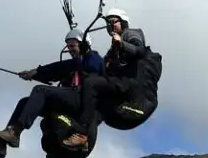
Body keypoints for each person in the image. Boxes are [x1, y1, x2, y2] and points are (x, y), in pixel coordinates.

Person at [0, 29, 104, 158]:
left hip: (83, 101)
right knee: (25, 102)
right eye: (68, 47)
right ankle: (1, 143)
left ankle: (14, 132)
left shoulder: (94, 59)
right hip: (71, 102)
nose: (70, 50)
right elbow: (57, 73)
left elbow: (64, 68)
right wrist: (34, 75)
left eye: (73, 46)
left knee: (40, 90)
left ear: (84, 45)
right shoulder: (73, 68)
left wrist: (37, 71)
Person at [62, 9, 152, 149]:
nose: (110, 26)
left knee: (91, 84)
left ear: (122, 22)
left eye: (113, 22)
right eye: (108, 24)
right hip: (119, 89)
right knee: (93, 102)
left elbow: (139, 50)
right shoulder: (113, 50)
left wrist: (122, 44)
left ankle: (82, 134)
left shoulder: (130, 33)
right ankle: (83, 141)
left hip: (130, 88)